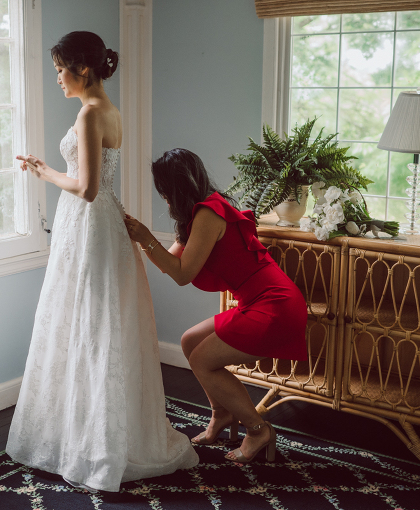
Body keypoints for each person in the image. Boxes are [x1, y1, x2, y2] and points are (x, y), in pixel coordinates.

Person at [6, 32, 198, 492]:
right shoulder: (109, 110)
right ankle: (89, 431)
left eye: (59, 69)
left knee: (87, 323)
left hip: (89, 222)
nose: (57, 79)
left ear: (83, 70)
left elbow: (87, 188)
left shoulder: (91, 113)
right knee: (96, 323)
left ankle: (93, 443)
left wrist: (42, 171)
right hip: (98, 224)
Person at [124, 148, 308, 464]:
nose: (164, 199)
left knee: (203, 360)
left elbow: (181, 274)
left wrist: (145, 236)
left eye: (165, 191)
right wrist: (142, 240)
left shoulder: (209, 214)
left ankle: (257, 429)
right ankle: (222, 414)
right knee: (189, 341)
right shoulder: (198, 214)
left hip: (275, 305)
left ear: (176, 188)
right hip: (258, 300)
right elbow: (168, 262)